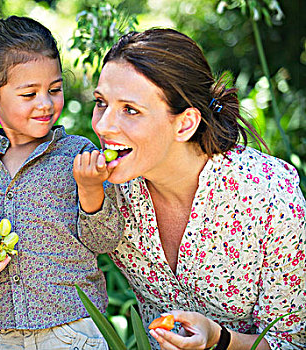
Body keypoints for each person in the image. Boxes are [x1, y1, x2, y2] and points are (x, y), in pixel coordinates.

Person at [73, 28, 306, 350]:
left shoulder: (270, 200)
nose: (102, 125)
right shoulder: (107, 190)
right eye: (101, 103)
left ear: (184, 124)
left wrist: (218, 339)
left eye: (130, 109)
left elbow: (291, 343)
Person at [0, 10, 115, 350]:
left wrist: (92, 189)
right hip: (1, 334)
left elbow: (105, 241)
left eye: (54, 89)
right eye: (29, 94)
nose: (46, 104)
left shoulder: (77, 155)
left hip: (73, 330)